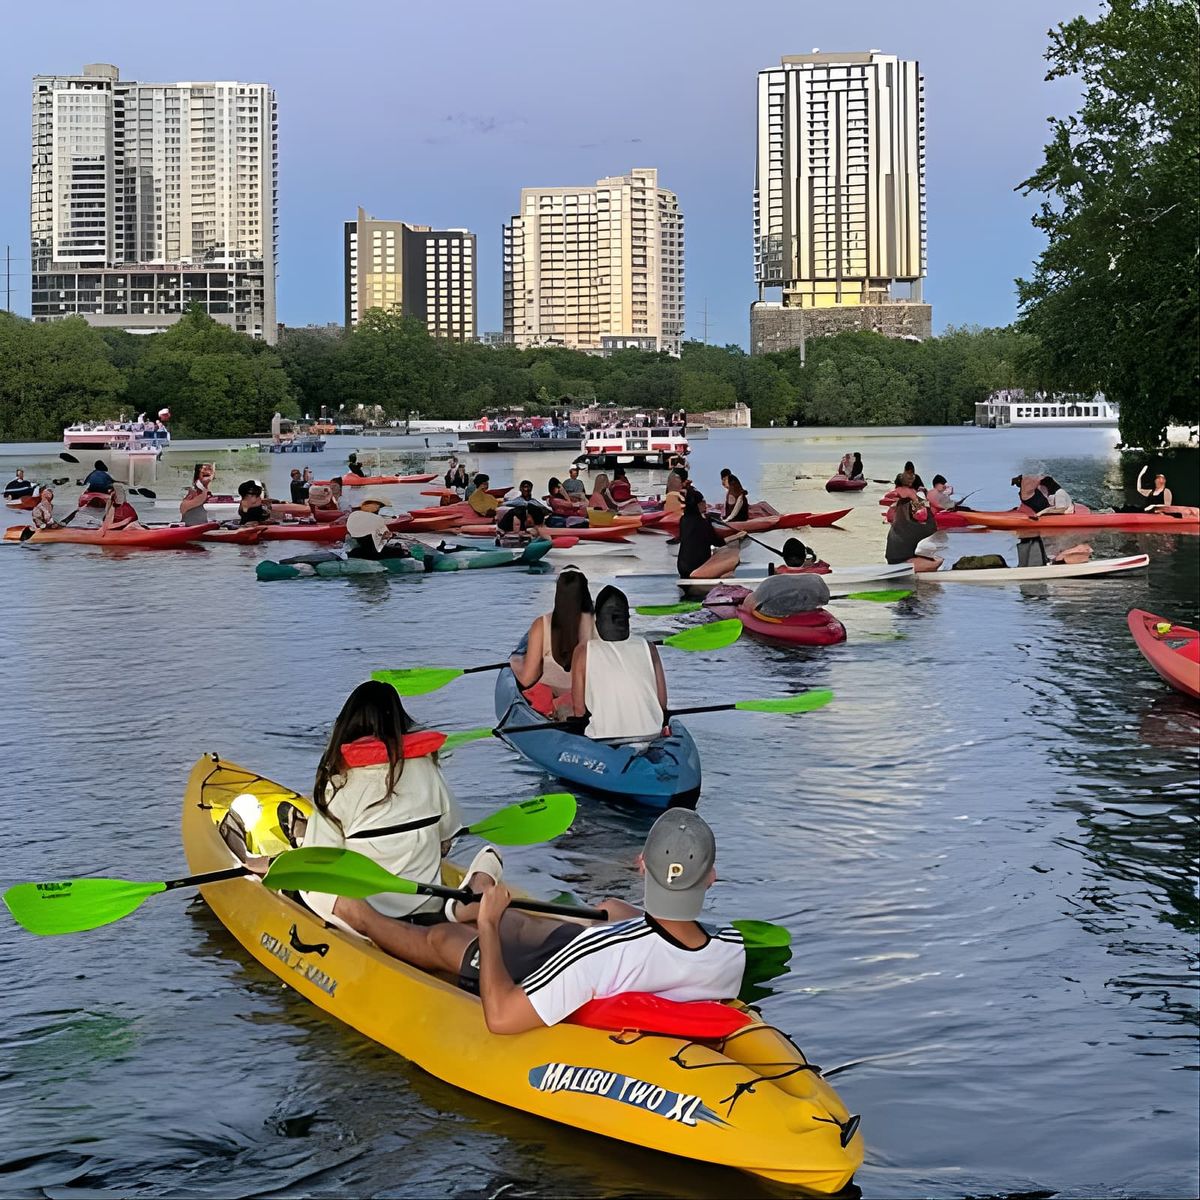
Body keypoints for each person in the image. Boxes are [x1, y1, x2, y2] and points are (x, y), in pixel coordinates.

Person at [321, 808, 744, 1036]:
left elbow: (502, 1018)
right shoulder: (733, 949)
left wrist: (487, 926)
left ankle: (355, 912)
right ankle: (474, 902)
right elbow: (662, 943)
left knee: (441, 940)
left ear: (640, 865)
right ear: (711, 876)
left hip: (574, 962)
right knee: (586, 913)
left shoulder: (597, 953)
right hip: (599, 947)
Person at [297, 681, 463, 930]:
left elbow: (318, 861)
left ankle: (299, 836)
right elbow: (447, 839)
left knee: (311, 882)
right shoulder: (428, 768)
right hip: (425, 903)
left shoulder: (338, 783)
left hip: (367, 910)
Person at [571, 586, 668, 740]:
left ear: (598, 620)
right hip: (652, 734)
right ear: (627, 618)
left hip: (604, 738)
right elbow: (662, 704)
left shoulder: (583, 651)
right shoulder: (649, 647)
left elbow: (578, 709)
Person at [510, 569, 595, 714]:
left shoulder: (542, 625)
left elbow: (527, 680)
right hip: (590, 698)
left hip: (556, 698)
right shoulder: (601, 625)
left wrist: (515, 661)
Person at [677, 488, 742, 579]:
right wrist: (737, 536)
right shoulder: (703, 522)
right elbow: (717, 542)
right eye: (703, 501)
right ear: (698, 504)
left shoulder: (683, 520)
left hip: (682, 568)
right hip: (697, 569)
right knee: (734, 557)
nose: (705, 504)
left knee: (718, 552)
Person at [885, 489, 941, 572]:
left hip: (897, 559)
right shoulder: (923, 525)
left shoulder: (901, 515)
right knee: (940, 561)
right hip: (906, 562)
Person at [346, 497, 411, 559]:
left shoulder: (353, 552)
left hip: (364, 547)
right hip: (375, 550)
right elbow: (384, 536)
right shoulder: (376, 519)